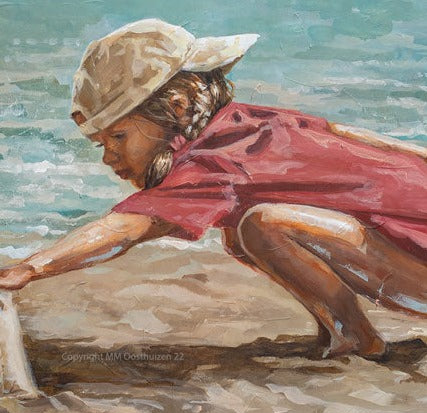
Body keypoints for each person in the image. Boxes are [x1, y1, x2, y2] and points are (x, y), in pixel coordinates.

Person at [0, 19, 426, 359]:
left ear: (177, 108)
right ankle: (343, 328)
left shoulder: (216, 161)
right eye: (102, 144)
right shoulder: (251, 123)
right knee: (243, 231)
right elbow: (347, 135)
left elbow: (130, 227)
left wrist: (31, 268)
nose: (109, 157)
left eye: (118, 137)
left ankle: (354, 335)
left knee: (260, 225)